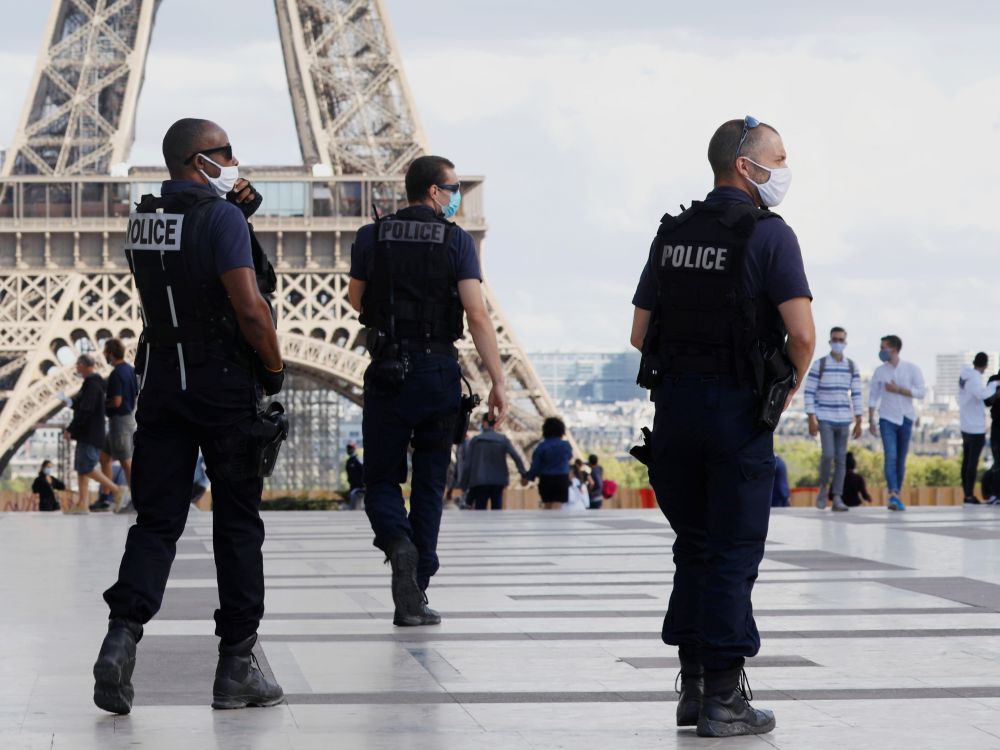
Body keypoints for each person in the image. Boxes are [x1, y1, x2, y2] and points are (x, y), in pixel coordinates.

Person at [629, 116, 814, 736]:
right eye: (779, 158)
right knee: (734, 552)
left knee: (696, 546)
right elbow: (803, 334)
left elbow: (638, 333)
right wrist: (781, 392)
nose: (785, 169)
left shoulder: (672, 232)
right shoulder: (770, 235)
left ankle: (693, 686)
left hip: (674, 411)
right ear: (745, 165)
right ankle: (724, 698)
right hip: (736, 412)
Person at [93, 118, 285, 715]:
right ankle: (237, 666)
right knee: (236, 524)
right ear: (202, 161)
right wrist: (274, 369)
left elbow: (182, 269)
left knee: (156, 523)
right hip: (224, 382)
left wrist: (236, 219)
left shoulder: (144, 219)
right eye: (226, 153)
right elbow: (249, 308)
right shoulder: (221, 216)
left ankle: (121, 636)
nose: (234, 162)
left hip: (163, 384)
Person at [348, 154, 508, 627]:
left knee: (379, 479)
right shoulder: (456, 240)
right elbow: (476, 314)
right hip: (438, 370)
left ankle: (397, 543)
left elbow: (357, 300)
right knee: (431, 483)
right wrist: (498, 380)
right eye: (453, 187)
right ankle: (417, 588)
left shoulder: (370, 236)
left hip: (388, 370)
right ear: (435, 192)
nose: (457, 194)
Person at [804, 327, 862, 512]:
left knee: (841, 460)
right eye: (834, 339)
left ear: (845, 342)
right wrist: (811, 417)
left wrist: (859, 419)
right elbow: (809, 392)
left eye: (840, 339)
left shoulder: (851, 366)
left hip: (844, 418)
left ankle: (837, 497)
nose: (837, 342)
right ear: (830, 341)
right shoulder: (819, 364)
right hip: (825, 417)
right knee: (828, 455)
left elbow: (857, 394)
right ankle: (823, 487)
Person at [868, 335, 925, 511]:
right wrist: (870, 418)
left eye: (883, 347)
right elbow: (873, 396)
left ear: (894, 348)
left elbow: (921, 392)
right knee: (890, 456)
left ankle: (897, 493)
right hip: (887, 418)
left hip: (906, 417)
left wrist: (898, 390)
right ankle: (892, 493)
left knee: (900, 459)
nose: (881, 350)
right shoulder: (880, 371)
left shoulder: (911, 369)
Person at [64, 355, 123, 514]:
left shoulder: (91, 385)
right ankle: (82, 504)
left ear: (84, 365)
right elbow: (86, 406)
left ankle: (116, 490)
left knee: (87, 467)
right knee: (81, 468)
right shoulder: (94, 384)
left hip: (89, 433)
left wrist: (71, 429)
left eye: (78, 364)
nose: (76, 367)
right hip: (89, 433)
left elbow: (86, 410)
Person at [97, 338, 138, 511]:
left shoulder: (116, 374)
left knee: (125, 461)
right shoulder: (130, 370)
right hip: (126, 419)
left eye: (106, 352)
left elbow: (117, 401)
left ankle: (136, 501)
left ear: (112, 354)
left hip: (119, 421)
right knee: (104, 457)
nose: (104, 355)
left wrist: (101, 404)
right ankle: (106, 497)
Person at [460, 414, 527, 510]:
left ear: (484, 423)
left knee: (480, 511)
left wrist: (463, 484)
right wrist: (523, 473)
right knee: (497, 510)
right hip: (498, 481)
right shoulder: (503, 440)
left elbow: (467, 464)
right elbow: (516, 457)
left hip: (479, 481)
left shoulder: (475, 441)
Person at [958, 352, 992, 504]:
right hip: (976, 427)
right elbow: (980, 394)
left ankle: (967, 493)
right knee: (972, 462)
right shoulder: (975, 378)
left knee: (966, 461)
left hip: (965, 425)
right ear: (985, 365)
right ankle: (969, 494)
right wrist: (993, 387)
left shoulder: (964, 377)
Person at [523, 417, 574, 509]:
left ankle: (547, 523)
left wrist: (528, 477)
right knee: (557, 505)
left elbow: (535, 466)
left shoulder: (541, 447)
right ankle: (554, 523)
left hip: (546, 479)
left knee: (547, 505)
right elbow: (570, 457)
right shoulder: (566, 446)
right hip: (561, 479)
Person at [345, 442, 365, 510]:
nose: (349, 450)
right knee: (353, 508)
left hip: (360, 487)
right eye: (348, 449)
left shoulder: (357, 460)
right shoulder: (349, 461)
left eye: (350, 448)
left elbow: (364, 471)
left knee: (356, 507)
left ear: (354, 449)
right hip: (353, 487)